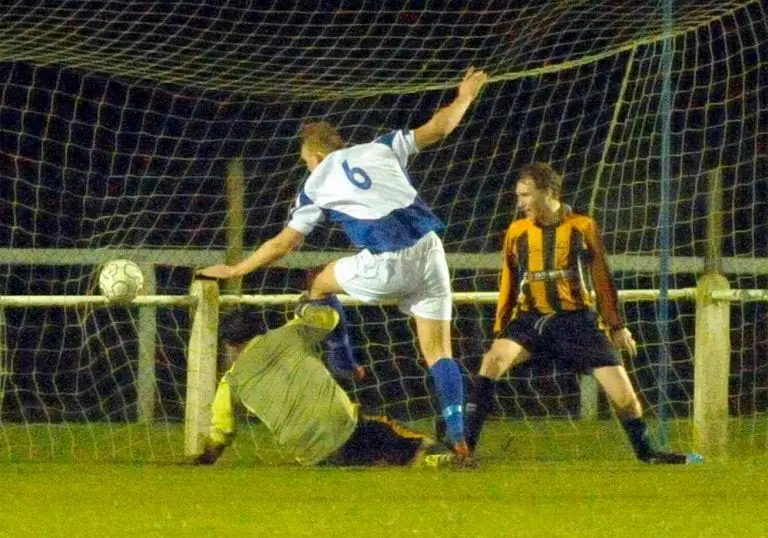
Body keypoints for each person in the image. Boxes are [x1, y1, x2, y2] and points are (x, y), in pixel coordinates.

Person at [197, 67, 489, 457]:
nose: (307, 168)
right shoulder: (381, 146)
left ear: (316, 157)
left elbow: (284, 244)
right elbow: (439, 128)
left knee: (319, 282)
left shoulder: (315, 183)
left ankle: (344, 361)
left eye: (306, 162)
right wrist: (466, 95)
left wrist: (237, 270)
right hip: (430, 250)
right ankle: (458, 434)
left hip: (388, 261)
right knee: (440, 353)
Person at [464, 162, 702, 465]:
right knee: (492, 361)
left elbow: (602, 278)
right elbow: (508, 281)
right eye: (518, 195)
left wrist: (616, 326)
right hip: (531, 320)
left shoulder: (582, 226)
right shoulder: (516, 231)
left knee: (625, 398)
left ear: (548, 192)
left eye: (525, 195)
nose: (520, 203)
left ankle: (648, 454)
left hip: (575, 323)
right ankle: (464, 449)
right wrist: (501, 327)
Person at [192, 300, 467, 468]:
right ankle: (441, 457)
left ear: (230, 345)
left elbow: (220, 433)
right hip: (347, 430)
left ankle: (386, 459)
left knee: (368, 453)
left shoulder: (231, 381)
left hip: (312, 456)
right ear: (258, 330)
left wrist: (206, 457)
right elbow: (330, 318)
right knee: (403, 439)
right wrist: (305, 307)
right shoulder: (288, 334)